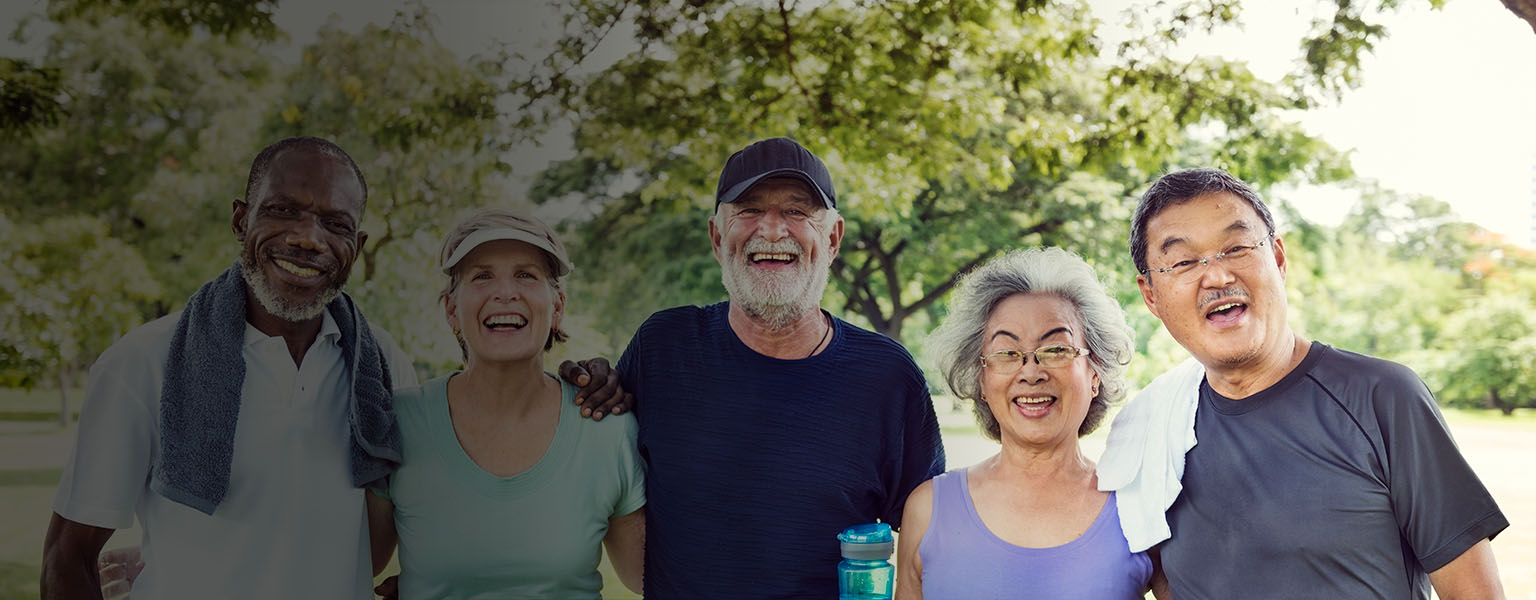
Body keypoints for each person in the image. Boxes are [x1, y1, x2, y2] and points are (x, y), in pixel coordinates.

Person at [40, 137, 623, 600]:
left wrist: (593, 377)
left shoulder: (383, 366)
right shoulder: (143, 363)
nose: (307, 239)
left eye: (335, 224)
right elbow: (67, 558)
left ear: (358, 244)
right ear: (241, 220)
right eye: (284, 211)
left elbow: (403, 525)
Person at [1107, 167, 1508, 598]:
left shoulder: (1382, 398)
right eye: (1184, 261)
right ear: (1151, 295)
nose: (1218, 276)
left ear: (1278, 259)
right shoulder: (1150, 433)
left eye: (1237, 247)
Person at [614, 137, 946, 598]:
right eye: (749, 210)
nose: (772, 231)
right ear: (716, 237)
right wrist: (585, 382)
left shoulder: (888, 377)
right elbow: (601, 462)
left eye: (796, 211)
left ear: (832, 239)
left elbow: (929, 544)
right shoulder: (663, 348)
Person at [366, 208, 644, 598]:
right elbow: (355, 563)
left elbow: (652, 578)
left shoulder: (606, 429)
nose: (505, 292)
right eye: (482, 276)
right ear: (451, 310)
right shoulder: (400, 422)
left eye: (526, 275)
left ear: (557, 307)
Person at [896, 247, 1158, 599]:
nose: (1031, 372)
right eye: (1007, 353)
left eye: (1056, 350)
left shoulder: (1138, 508)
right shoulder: (927, 510)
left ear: (1095, 373)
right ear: (982, 381)